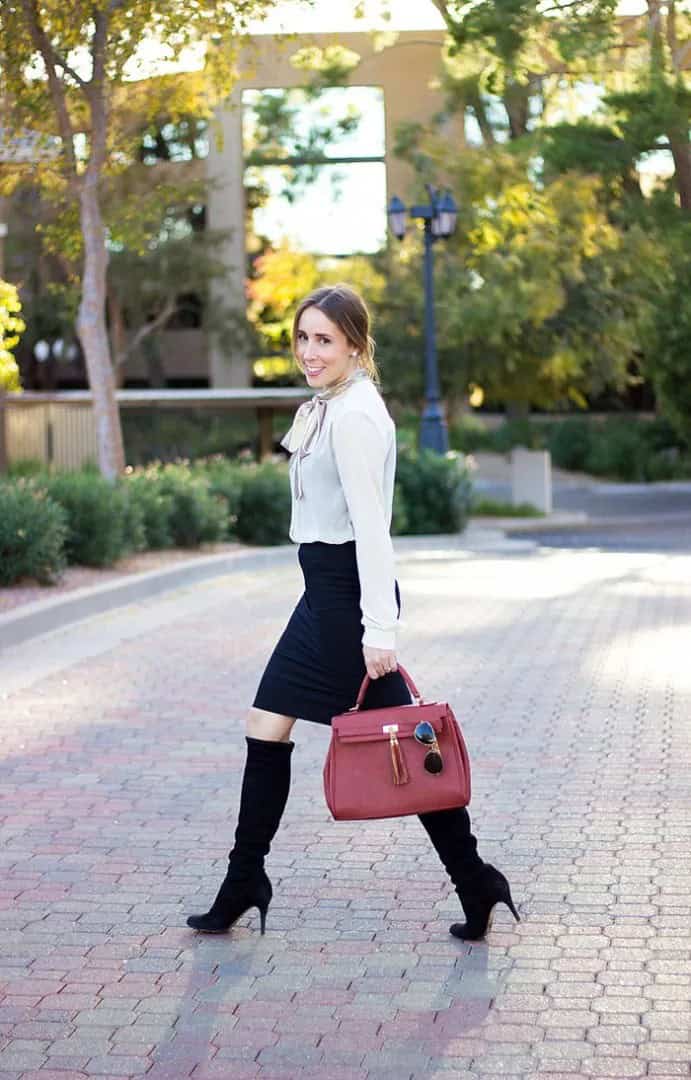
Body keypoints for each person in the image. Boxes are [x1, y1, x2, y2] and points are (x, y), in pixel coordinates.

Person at [186, 284, 519, 940]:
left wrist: (378, 629)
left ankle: (475, 878)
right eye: (303, 338)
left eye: (324, 340)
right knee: (269, 724)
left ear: (355, 345)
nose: (310, 352)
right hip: (320, 596)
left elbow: (371, 529)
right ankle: (246, 879)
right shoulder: (329, 405)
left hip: (344, 602)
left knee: (411, 739)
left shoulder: (356, 415)